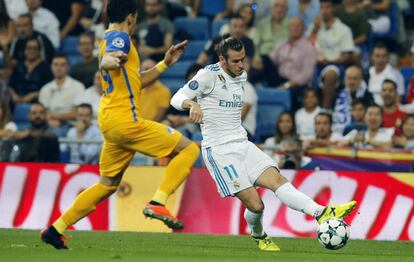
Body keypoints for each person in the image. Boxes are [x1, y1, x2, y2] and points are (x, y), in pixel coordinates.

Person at [170, 37, 356, 251]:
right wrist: (191, 103)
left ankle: (322, 213)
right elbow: (176, 98)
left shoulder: (241, 75)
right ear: (222, 59)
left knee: (278, 180)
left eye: (243, 60)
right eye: (235, 61)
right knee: (257, 206)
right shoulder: (208, 75)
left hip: (242, 144)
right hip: (220, 152)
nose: (241, 66)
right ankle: (258, 234)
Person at [40, 0, 199, 249]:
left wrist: (165, 63)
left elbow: (136, 81)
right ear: (131, 17)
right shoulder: (121, 38)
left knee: (107, 184)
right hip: (126, 121)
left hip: (111, 121)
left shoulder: (109, 37)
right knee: (189, 150)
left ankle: (55, 229)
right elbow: (107, 60)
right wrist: (110, 60)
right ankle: (158, 202)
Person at [38, 53, 85, 136]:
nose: (59, 68)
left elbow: (76, 114)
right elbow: (42, 113)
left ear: (68, 67)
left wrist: (53, 116)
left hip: (71, 124)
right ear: (51, 67)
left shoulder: (78, 87)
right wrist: (49, 120)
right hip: (49, 123)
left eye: (62, 65)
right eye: (56, 65)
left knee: (56, 133)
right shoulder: (45, 89)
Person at [8, 36, 53, 105]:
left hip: (37, 102)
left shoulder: (46, 68)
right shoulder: (19, 66)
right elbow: (11, 85)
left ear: (39, 50)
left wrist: (32, 95)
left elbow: (48, 88)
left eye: (35, 48)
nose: (31, 51)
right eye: (29, 48)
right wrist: (14, 95)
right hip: (16, 101)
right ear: (24, 50)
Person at [332, 66, 372, 134]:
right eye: (349, 78)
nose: (352, 82)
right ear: (344, 79)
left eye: (355, 79)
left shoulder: (368, 96)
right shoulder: (337, 94)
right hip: (337, 131)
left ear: (360, 80)